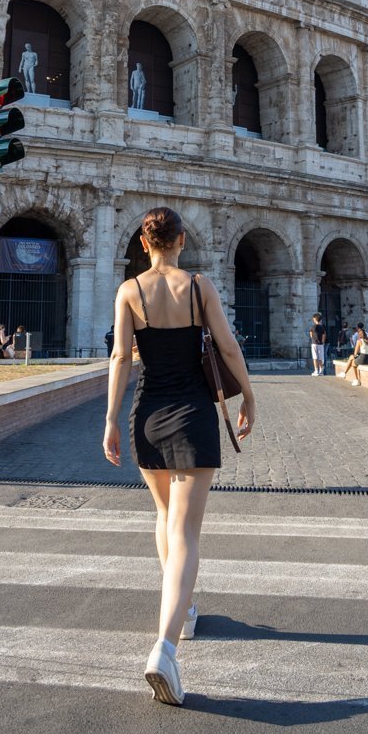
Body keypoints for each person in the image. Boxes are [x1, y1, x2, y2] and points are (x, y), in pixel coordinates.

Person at [103, 206, 255, 706]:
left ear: (143, 244)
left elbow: (121, 358)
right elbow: (227, 347)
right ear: (182, 241)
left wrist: (110, 419)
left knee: (165, 517)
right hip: (193, 412)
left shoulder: (129, 291)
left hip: (147, 413)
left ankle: (184, 610)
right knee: (186, 531)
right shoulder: (198, 286)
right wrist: (249, 396)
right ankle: (165, 647)